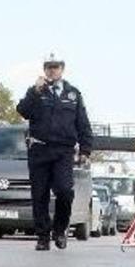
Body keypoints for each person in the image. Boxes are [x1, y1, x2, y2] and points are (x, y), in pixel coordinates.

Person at [16, 52, 93, 251]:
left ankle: (60, 229)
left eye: (56, 66)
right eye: (49, 67)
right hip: (40, 150)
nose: (52, 70)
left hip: (63, 151)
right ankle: (43, 236)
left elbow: (83, 123)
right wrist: (35, 90)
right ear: (44, 69)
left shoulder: (73, 94)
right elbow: (23, 110)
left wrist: (85, 149)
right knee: (39, 195)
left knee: (65, 191)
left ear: (62, 69)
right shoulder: (36, 92)